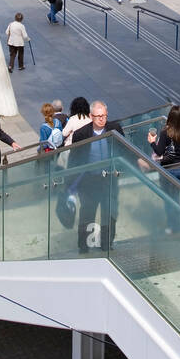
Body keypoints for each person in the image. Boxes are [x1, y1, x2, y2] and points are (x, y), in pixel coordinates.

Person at [70, 101, 123, 253]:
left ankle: (106, 243)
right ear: (90, 116)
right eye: (98, 116)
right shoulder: (81, 134)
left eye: (104, 116)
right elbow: (74, 159)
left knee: (110, 213)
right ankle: (84, 245)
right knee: (87, 213)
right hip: (89, 181)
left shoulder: (115, 129)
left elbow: (123, 149)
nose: (101, 119)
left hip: (109, 180)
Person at [146, 105, 180, 235]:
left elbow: (159, 151)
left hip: (168, 170)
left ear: (170, 117)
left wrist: (152, 141)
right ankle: (176, 223)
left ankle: (174, 226)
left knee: (169, 199)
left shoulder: (166, 133)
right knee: (176, 196)